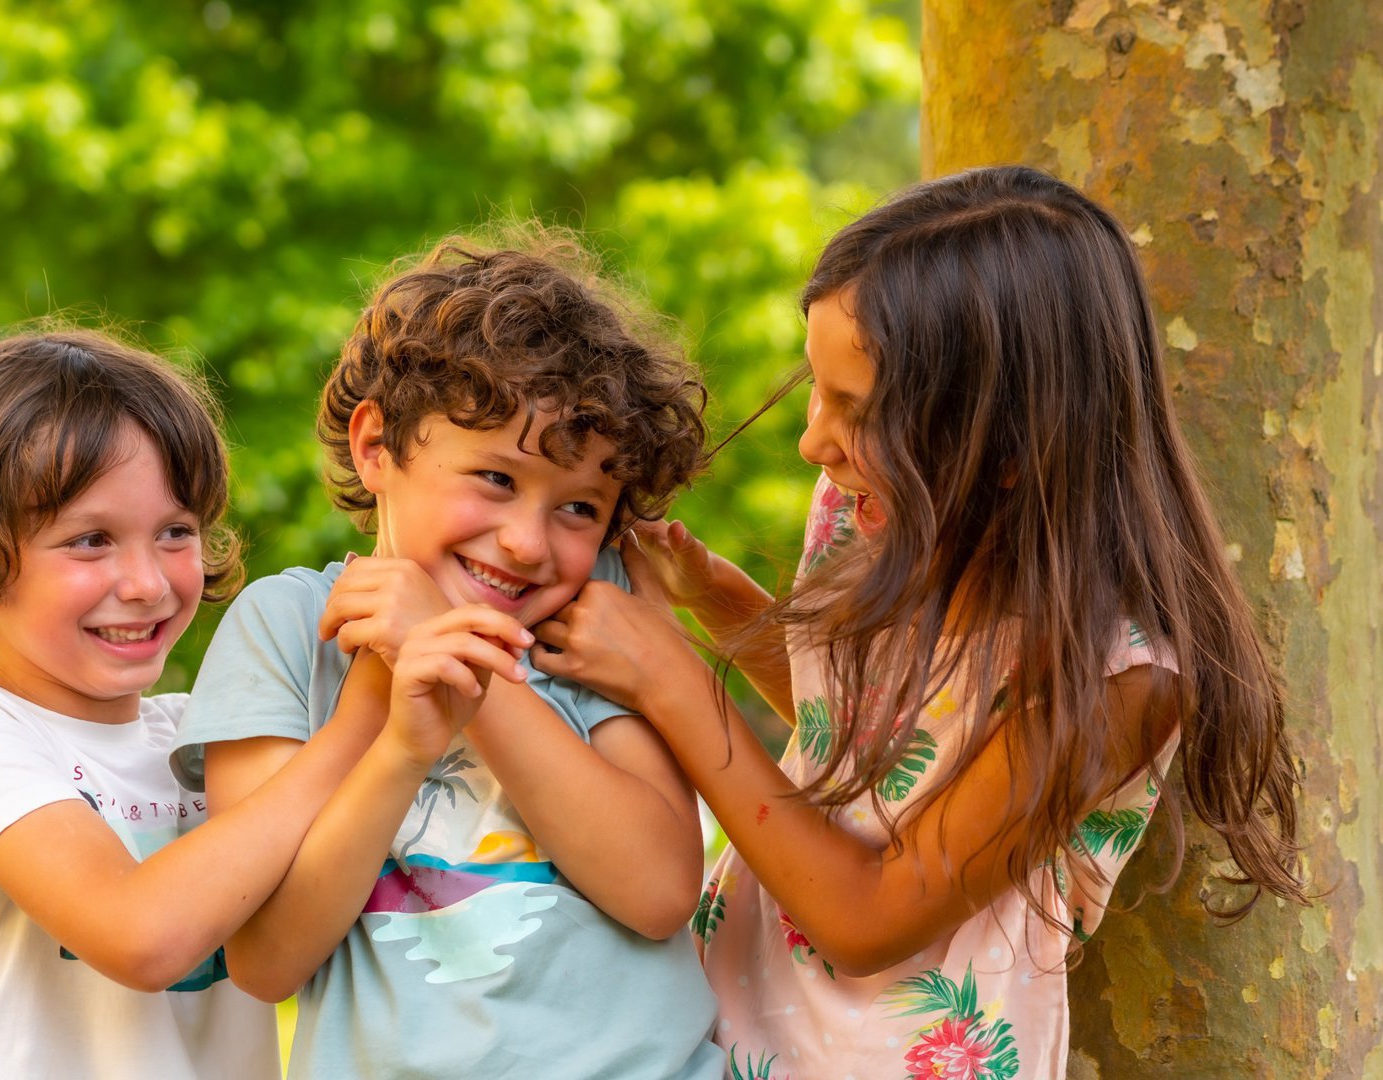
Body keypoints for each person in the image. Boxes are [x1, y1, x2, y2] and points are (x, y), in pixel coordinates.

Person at [533, 166, 1306, 1079]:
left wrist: (673, 679)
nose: (812, 441)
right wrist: (713, 595)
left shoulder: (1119, 679)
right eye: (818, 390)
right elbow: (859, 724)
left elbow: (869, 918)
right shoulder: (862, 514)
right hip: (721, 1024)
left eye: (856, 411)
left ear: (1013, 444)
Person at [171, 231, 724, 1078]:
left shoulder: (595, 626)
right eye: (497, 479)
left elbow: (656, 893)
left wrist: (473, 677)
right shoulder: (286, 628)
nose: (527, 542)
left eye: (580, 507)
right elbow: (266, 961)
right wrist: (401, 741)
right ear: (375, 447)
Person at [0, 328, 402, 1078]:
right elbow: (141, 936)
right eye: (91, 540)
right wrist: (361, 724)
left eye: (174, 532)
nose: (147, 583)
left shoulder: (204, 737)